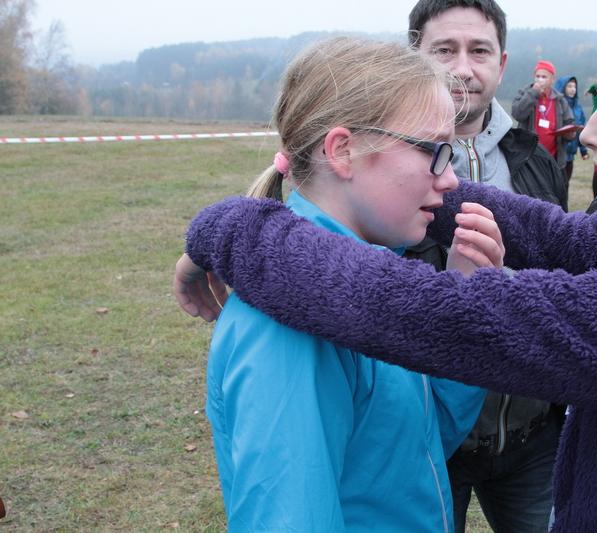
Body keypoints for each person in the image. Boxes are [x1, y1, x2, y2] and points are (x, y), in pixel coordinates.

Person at [175, 0, 597, 530]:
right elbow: (547, 232)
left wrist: (235, 227)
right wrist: (413, 187)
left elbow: (422, 313)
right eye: (433, 153)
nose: (588, 133)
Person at [199, 37, 508, 532]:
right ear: (343, 151)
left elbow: (418, 445)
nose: (450, 179)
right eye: (434, 151)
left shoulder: (368, 286)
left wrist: (461, 304)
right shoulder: (290, 324)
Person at [404, 2, 566, 532]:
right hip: (426, 441)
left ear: (502, 62)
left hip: (533, 439)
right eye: (444, 50)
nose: (462, 69)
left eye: (478, 51)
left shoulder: (537, 161)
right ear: (414, 55)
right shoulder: (387, 162)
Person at [511, 60, 575, 174]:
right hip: (528, 159)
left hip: (553, 160)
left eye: (544, 77)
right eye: (537, 76)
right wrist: (533, 93)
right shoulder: (525, 93)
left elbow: (569, 123)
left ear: (552, 79)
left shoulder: (560, 100)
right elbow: (518, 114)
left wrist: (570, 134)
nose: (540, 80)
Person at [554, 75, 589, 193]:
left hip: (570, 155)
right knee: (555, 185)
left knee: (565, 185)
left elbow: (581, 130)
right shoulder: (556, 105)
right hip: (557, 153)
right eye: (569, 86)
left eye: (574, 86)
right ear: (562, 87)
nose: (573, 89)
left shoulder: (578, 108)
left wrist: (583, 150)